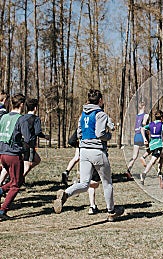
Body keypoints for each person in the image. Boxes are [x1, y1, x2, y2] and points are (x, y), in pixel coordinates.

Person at [53, 89, 124, 222]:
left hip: (83, 151)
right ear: (100, 101)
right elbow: (100, 134)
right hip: (97, 151)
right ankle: (111, 212)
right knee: (107, 182)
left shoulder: (83, 115)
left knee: (84, 183)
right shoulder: (100, 114)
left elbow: (79, 133)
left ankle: (66, 194)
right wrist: (109, 135)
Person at [0, 94, 29, 220]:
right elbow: (27, 137)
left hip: (2, 153)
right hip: (13, 154)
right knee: (16, 185)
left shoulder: (4, 117)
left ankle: (1, 191)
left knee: (18, 179)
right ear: (22, 104)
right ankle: (2, 210)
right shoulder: (21, 119)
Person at [19, 98, 50, 178]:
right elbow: (38, 132)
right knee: (28, 165)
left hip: (21, 143)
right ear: (35, 108)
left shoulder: (21, 117)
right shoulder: (36, 119)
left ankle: (18, 178)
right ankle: (17, 181)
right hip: (29, 144)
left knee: (37, 160)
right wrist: (45, 136)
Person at [140, 110, 163, 188]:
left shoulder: (151, 124)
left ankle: (159, 171)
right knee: (152, 161)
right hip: (158, 144)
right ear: (161, 117)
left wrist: (144, 138)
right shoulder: (162, 124)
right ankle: (144, 174)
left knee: (162, 156)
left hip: (152, 144)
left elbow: (142, 129)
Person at [125, 102, 151, 180]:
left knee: (134, 156)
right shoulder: (146, 115)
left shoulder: (137, 116)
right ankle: (143, 157)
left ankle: (128, 170)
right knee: (151, 150)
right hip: (142, 135)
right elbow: (143, 125)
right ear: (144, 107)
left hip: (136, 136)